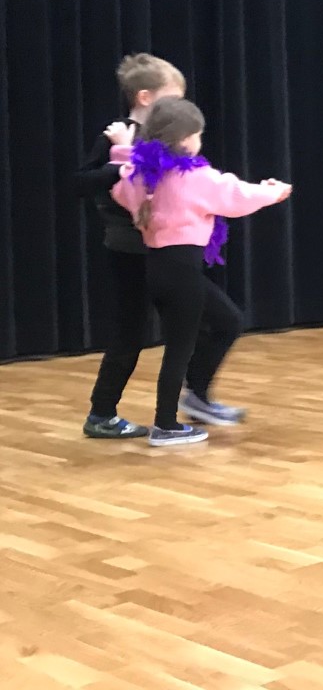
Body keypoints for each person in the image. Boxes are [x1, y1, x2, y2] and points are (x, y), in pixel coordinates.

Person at [109, 98, 292, 446]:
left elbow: (121, 189)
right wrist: (273, 192)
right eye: (198, 134)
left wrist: (122, 152)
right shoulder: (194, 176)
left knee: (227, 321)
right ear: (185, 139)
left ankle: (195, 397)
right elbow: (236, 196)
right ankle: (166, 425)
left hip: (160, 269)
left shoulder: (142, 176)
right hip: (181, 272)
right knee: (180, 347)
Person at [73, 54, 186, 439]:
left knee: (207, 319)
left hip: (167, 247)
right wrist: (119, 166)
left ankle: (195, 396)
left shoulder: (167, 137)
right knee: (130, 333)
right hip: (128, 250)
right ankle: (101, 413)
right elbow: (82, 182)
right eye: (172, 99)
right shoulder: (117, 135)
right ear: (144, 97)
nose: (178, 108)